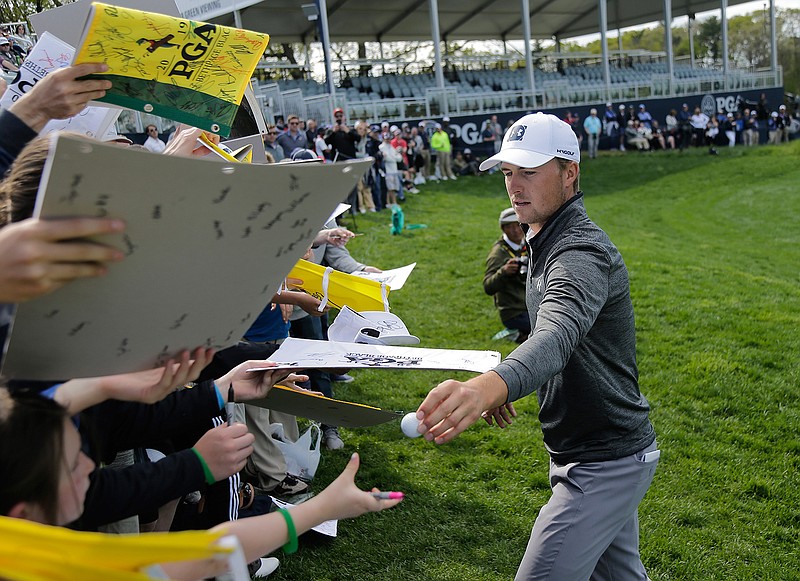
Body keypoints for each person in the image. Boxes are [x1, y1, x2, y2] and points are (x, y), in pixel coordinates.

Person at [416, 112, 658, 580]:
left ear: (570, 173)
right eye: (508, 173)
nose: (514, 186)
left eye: (529, 172)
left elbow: (557, 334)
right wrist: (510, 385)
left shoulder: (579, 252)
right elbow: (549, 337)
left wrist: (491, 385)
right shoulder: (542, 239)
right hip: (594, 452)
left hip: (603, 461)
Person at [0, 386, 402, 581]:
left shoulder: (20, 539)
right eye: (75, 464)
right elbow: (208, 555)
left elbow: (212, 552)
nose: (92, 464)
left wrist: (322, 508)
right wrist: (322, 508)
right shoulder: (46, 562)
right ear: (23, 511)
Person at [483, 207, 530, 343]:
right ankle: (519, 335)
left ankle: (522, 335)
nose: (516, 231)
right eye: (510, 227)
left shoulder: (528, 243)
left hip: (532, 305)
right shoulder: (498, 254)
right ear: (503, 229)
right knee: (547, 330)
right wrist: (503, 272)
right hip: (514, 312)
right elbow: (488, 287)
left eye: (518, 225)